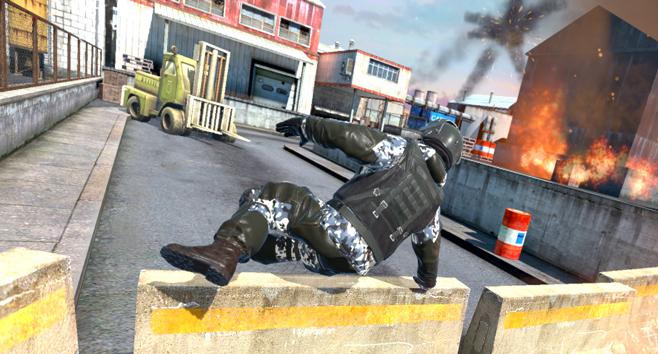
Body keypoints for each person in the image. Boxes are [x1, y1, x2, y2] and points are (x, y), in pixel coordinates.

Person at [159, 116, 464, 291]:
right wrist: (427, 280)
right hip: (355, 265)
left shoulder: (404, 150)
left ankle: (226, 251)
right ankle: (248, 247)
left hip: (340, 232)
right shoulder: (433, 206)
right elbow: (430, 251)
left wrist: (308, 126)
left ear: (429, 136)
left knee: (275, 196)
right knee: (292, 246)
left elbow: (350, 137)